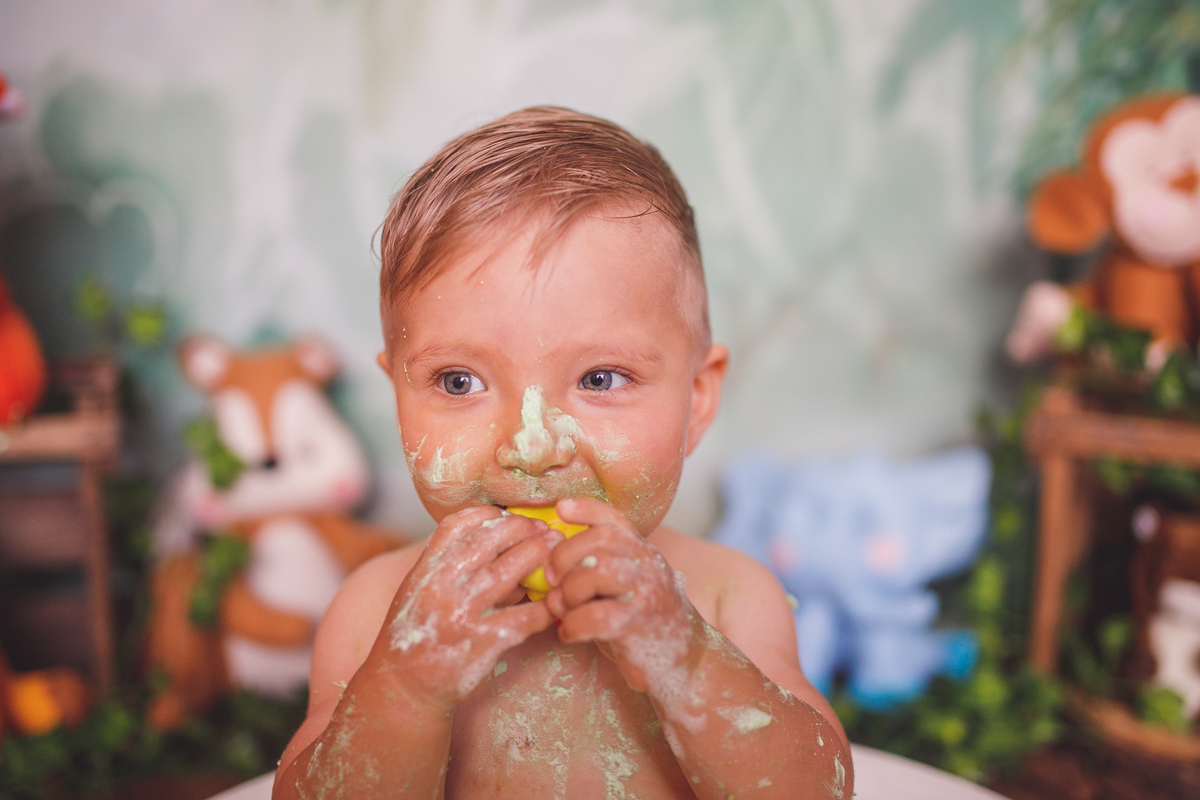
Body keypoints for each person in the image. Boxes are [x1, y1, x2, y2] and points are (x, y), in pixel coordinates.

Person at [273, 106, 852, 799]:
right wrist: (402, 687)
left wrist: (686, 657)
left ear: (696, 399)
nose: (532, 446)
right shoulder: (375, 613)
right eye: (459, 382)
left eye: (600, 379)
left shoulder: (727, 596)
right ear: (398, 395)